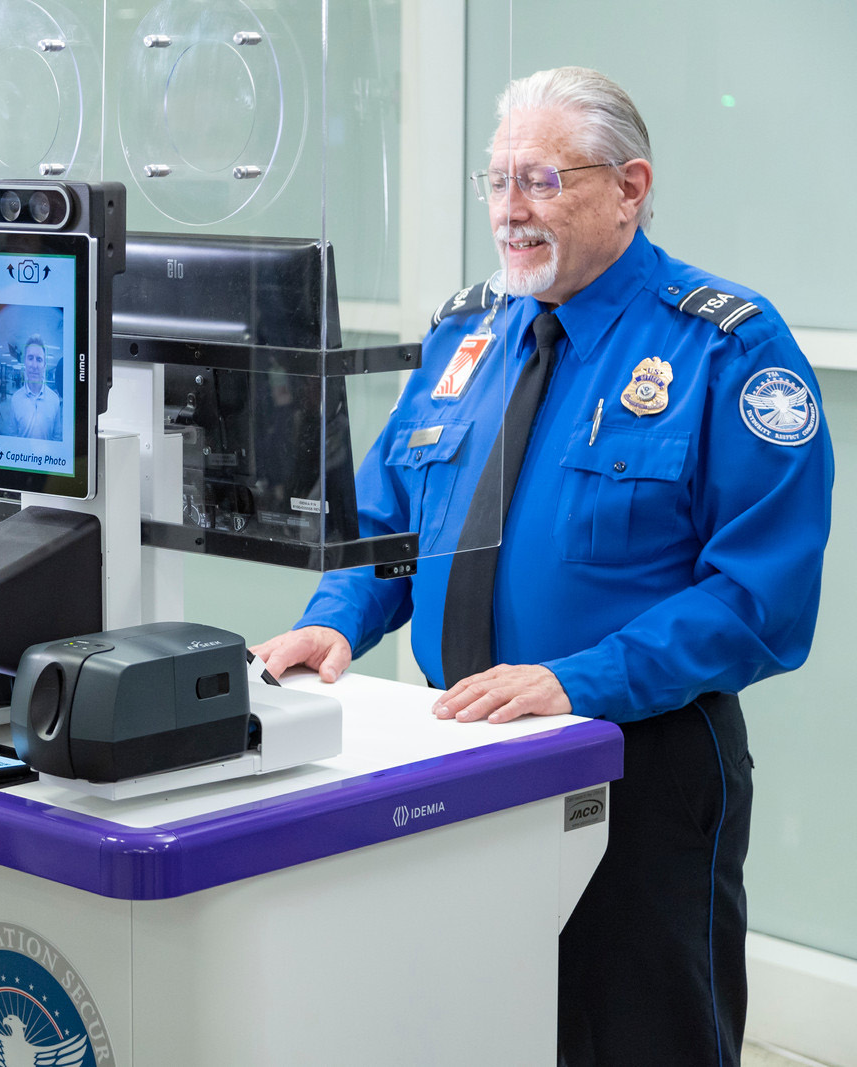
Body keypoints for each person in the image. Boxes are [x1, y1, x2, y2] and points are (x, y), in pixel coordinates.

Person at [254, 66, 833, 1067]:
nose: (509, 210)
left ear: (630, 187)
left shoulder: (726, 347)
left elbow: (759, 598)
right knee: (485, 1026)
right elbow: (389, 518)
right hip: (465, 758)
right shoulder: (465, 332)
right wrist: (338, 614)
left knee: (641, 1037)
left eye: (542, 180)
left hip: (638, 764)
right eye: (495, 181)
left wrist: (575, 680)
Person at [8, 335, 61, 440]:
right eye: (30, 358)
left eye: (39, 359)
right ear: (25, 363)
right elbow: (11, 436)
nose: (34, 365)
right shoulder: (15, 399)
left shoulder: (54, 400)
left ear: (44, 365)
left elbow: (57, 437)